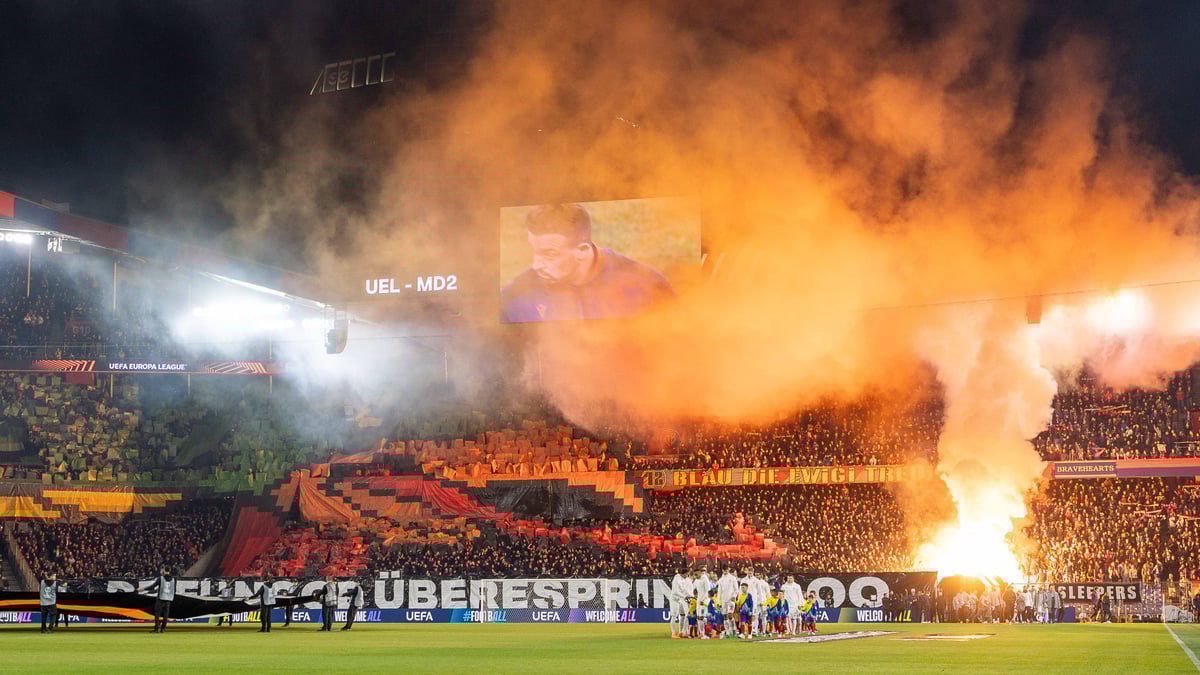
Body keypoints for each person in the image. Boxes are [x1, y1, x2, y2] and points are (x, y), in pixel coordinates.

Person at [500, 203, 676, 322]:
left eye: (550, 255)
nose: (536, 265)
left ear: (582, 251)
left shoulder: (648, 288)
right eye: (535, 251)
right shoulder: (514, 298)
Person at [146, 567, 176, 633]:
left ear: (164, 570)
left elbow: (153, 586)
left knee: (157, 614)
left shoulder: (161, 578)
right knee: (166, 615)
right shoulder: (173, 579)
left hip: (161, 598)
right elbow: (173, 590)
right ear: (169, 571)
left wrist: (143, 589)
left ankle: (156, 629)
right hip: (168, 599)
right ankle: (163, 629)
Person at [669, 568, 690, 639]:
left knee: (683, 615)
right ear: (683, 574)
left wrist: (690, 596)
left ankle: (681, 632)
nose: (688, 575)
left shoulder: (683, 580)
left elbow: (684, 590)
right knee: (674, 615)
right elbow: (675, 592)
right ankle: (673, 633)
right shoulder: (676, 579)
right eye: (687, 574)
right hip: (674, 599)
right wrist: (685, 596)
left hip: (680, 599)